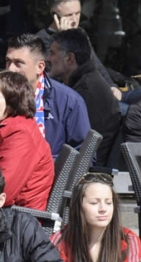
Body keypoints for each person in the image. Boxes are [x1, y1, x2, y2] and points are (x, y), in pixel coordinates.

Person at [5, 34, 90, 158]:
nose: (10, 69)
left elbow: (83, 155)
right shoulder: (2, 96)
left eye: (18, 63)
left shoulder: (68, 101)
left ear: (40, 67)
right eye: (8, 61)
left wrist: (46, 165)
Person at [49, 28, 121, 167]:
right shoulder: (85, 83)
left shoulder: (85, 92)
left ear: (69, 58)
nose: (47, 58)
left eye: (52, 53)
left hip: (85, 172)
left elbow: (80, 150)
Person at [36, 0, 122, 99]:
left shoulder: (81, 32)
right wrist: (65, 38)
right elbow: (58, 73)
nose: (75, 19)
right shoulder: (43, 39)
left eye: (77, 13)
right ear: (55, 16)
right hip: (74, 95)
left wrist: (111, 85)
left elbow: (96, 64)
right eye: (69, 15)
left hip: (94, 90)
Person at [0, 70, 54, 209]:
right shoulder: (11, 127)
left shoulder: (21, 133)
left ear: (12, 102)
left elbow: (4, 191)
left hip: (17, 218)